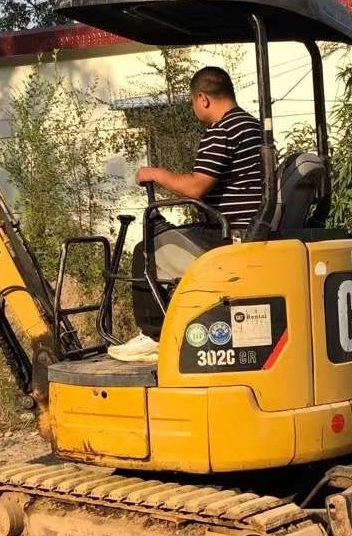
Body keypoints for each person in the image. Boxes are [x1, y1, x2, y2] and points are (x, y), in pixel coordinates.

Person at [107, 66, 263, 363]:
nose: (194, 108)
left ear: (202, 98)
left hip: (228, 237)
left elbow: (195, 187)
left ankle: (154, 336)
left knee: (147, 249)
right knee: (165, 230)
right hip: (244, 229)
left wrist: (154, 172)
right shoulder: (252, 127)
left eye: (193, 102)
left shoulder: (222, 130)